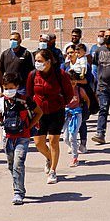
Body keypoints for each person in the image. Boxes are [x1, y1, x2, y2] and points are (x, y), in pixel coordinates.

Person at [27, 48, 77, 184]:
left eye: (40, 61)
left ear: (48, 62)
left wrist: (61, 103)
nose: (37, 63)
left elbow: (69, 93)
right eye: (36, 61)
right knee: (38, 143)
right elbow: (29, 93)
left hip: (56, 111)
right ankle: (49, 157)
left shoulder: (60, 74)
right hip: (39, 113)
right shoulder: (32, 75)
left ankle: (53, 170)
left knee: (53, 140)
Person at [0, 72, 42, 205]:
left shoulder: (25, 100)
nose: (9, 91)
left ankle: (18, 192)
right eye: (6, 88)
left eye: (11, 87)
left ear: (17, 86)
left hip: (23, 137)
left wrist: (29, 125)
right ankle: (18, 182)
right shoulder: (1, 102)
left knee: (18, 163)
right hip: (8, 138)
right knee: (11, 165)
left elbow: (39, 112)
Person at [64, 70, 89, 167]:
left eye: (74, 80)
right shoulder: (63, 91)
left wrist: (85, 111)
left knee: (72, 136)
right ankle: (75, 146)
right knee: (66, 138)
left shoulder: (80, 90)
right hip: (66, 115)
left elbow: (87, 100)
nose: (72, 82)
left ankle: (75, 158)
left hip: (77, 114)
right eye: (70, 80)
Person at [0, 30, 35, 94]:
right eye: (11, 39)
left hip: (22, 88)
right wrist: (2, 86)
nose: (12, 41)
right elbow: (0, 70)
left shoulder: (26, 54)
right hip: (9, 87)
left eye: (15, 39)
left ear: (20, 41)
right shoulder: (5, 54)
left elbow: (31, 71)